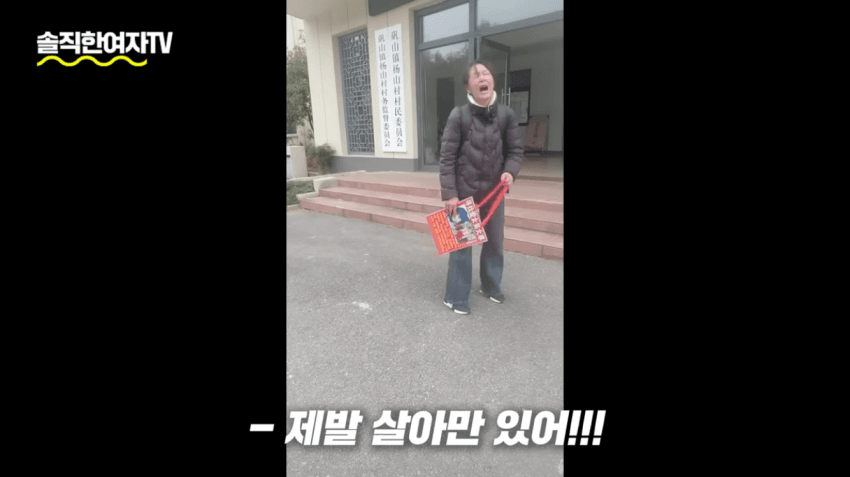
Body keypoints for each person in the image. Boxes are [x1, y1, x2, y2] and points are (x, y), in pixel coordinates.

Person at [440, 60, 523, 315]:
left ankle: (491, 285)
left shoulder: (506, 115)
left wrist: (510, 171)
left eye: (485, 73)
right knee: (462, 245)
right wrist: (450, 194)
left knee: (494, 242)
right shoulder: (459, 115)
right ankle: (456, 297)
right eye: (476, 76)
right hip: (464, 192)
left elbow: (515, 151)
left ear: (492, 81)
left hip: (494, 193)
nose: (482, 78)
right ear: (469, 87)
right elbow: (447, 157)